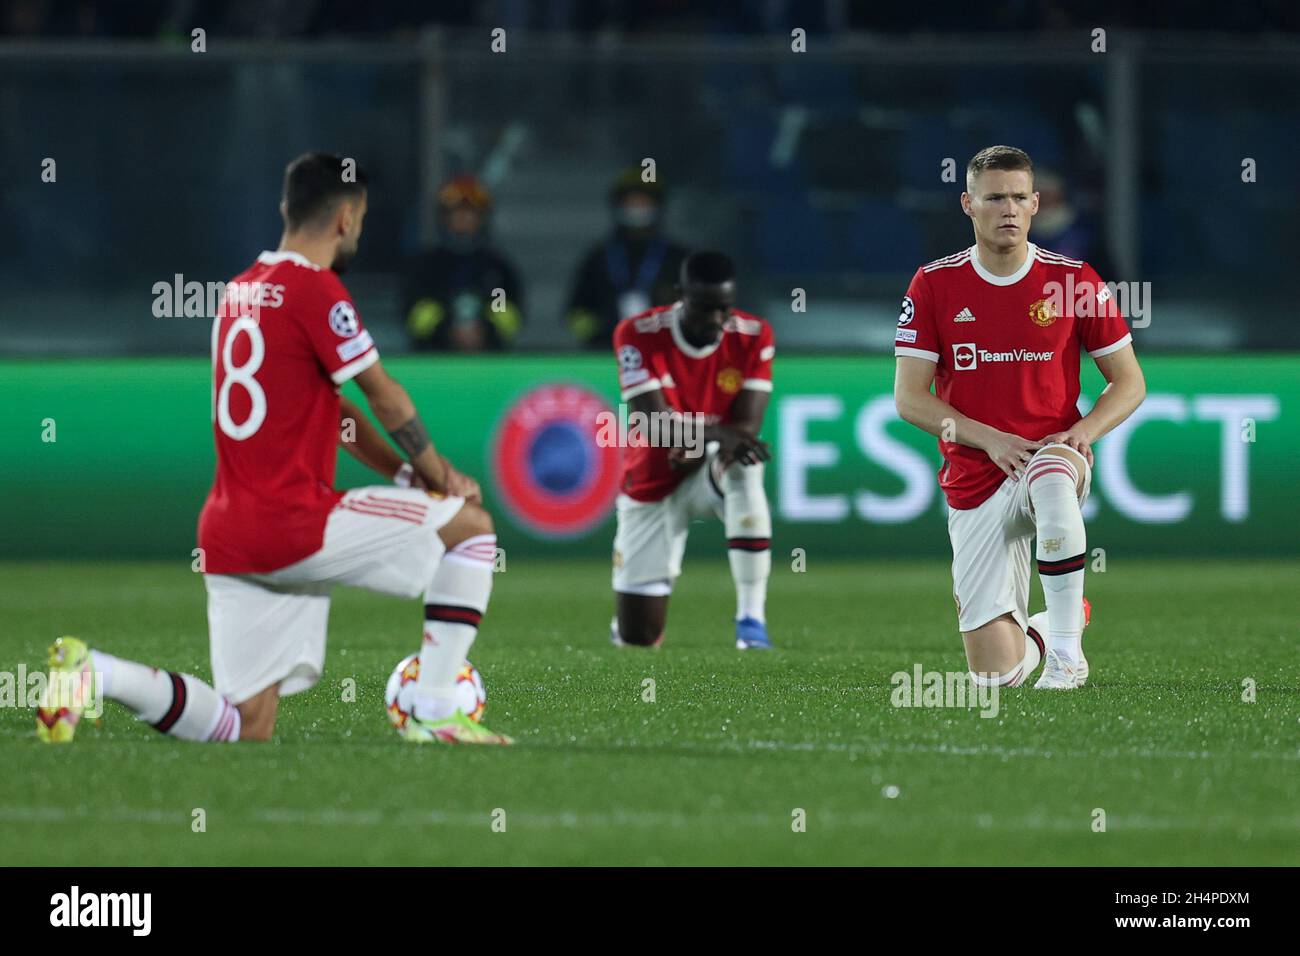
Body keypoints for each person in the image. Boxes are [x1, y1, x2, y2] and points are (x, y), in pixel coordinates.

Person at [37, 153, 513, 745]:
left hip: (230, 532)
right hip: (294, 523)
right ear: (346, 217)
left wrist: (401, 474)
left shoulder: (238, 293)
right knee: (470, 529)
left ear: (286, 207)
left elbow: (334, 414)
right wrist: (439, 473)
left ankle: (96, 672)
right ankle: (437, 709)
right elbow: (384, 397)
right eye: (360, 217)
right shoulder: (317, 291)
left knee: (244, 726)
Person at [893, 145, 1146, 690]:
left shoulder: (1074, 280)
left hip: (1047, 454)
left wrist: (1082, 433)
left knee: (1054, 480)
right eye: (994, 198)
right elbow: (911, 399)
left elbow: (1129, 383)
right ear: (968, 204)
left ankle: (1064, 656)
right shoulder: (934, 285)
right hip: (975, 476)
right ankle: (1055, 622)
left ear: (1035, 204)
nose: (1007, 208)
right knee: (996, 677)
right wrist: (991, 441)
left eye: (1017, 197)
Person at [609, 251, 775, 650]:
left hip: (706, 473)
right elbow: (650, 420)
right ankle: (629, 617)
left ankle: (751, 619)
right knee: (639, 638)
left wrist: (701, 443)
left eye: (724, 308)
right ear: (681, 296)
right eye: (705, 309)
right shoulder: (638, 333)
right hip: (652, 482)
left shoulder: (754, 335)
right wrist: (713, 434)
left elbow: (746, 429)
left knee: (746, 465)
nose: (717, 321)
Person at [566, 168, 688, 349]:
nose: (638, 208)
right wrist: (599, 333)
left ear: (659, 206)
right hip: (606, 355)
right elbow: (576, 310)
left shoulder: (680, 259)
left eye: (644, 202)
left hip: (668, 353)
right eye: (632, 202)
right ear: (618, 205)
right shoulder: (598, 258)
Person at [403, 174, 525, 352]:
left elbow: (508, 312)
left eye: (471, 213)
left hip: (490, 361)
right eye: (457, 212)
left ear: (483, 218)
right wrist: (448, 330)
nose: (464, 218)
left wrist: (484, 330)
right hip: (433, 360)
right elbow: (414, 311)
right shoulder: (426, 267)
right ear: (444, 217)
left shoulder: (496, 269)